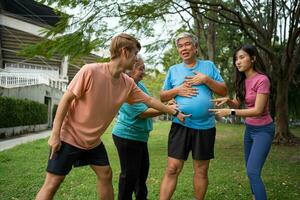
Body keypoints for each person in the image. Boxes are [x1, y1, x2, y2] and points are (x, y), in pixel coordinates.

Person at [35, 33, 189, 200]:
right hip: (69, 137)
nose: (136, 59)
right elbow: (65, 100)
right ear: (125, 52)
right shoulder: (90, 71)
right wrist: (55, 134)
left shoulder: (127, 83)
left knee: (105, 174)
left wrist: (174, 111)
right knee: (52, 183)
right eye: (135, 53)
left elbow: (150, 101)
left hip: (92, 142)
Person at [159, 32, 227, 200]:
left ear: (195, 47)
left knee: (201, 170)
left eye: (187, 44)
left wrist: (206, 80)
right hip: (180, 124)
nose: (184, 48)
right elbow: (162, 96)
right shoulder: (173, 70)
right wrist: (177, 90)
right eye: (180, 46)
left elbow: (224, 91)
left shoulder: (208, 66)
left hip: (205, 126)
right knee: (172, 168)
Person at [209, 44, 274, 200]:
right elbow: (238, 104)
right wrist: (228, 101)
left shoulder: (262, 80)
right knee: (250, 170)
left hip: (264, 130)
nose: (237, 62)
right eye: (236, 59)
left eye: (242, 57)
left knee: (253, 171)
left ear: (253, 58)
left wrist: (230, 111)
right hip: (249, 130)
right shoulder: (242, 81)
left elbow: (258, 110)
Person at [112, 55, 177, 200]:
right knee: (129, 175)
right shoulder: (124, 86)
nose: (144, 72)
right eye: (141, 69)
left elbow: (151, 102)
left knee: (141, 174)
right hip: (127, 136)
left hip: (139, 137)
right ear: (130, 69)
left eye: (144, 69)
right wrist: (167, 109)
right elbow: (142, 113)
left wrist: (167, 104)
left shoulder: (139, 85)